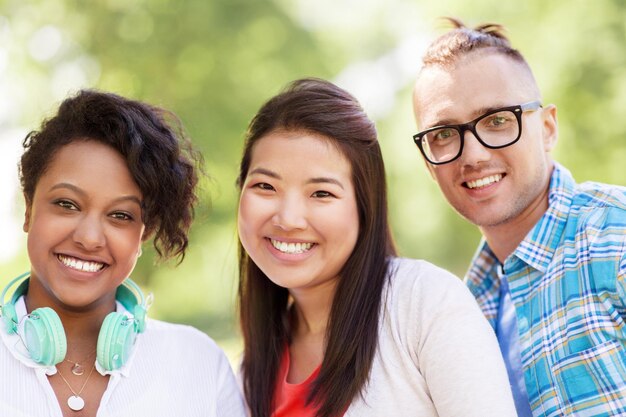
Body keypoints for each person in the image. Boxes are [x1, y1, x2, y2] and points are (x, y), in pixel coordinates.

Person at [236, 77, 517, 417]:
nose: (289, 218)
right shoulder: (250, 370)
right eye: (265, 186)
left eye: (321, 193)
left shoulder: (425, 304)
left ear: (365, 207)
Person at [411, 18, 626, 417]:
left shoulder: (616, 236)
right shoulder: (463, 305)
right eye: (443, 134)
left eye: (496, 121)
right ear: (428, 163)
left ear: (547, 128)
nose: (473, 155)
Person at [0, 90, 245, 416]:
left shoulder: (198, 363)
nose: (89, 238)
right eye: (67, 204)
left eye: (120, 215)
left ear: (144, 232)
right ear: (29, 209)